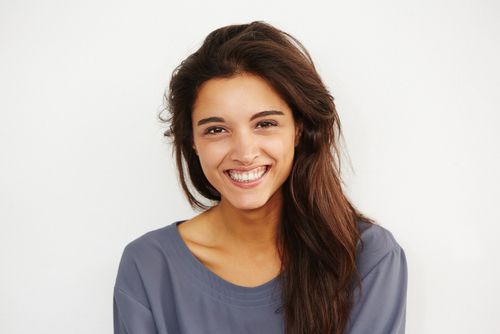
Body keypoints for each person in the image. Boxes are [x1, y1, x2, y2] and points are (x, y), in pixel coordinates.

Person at [113, 21, 407, 334]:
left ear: (298, 129)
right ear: (192, 143)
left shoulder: (368, 257)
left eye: (265, 124)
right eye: (216, 129)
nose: (244, 152)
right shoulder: (147, 266)